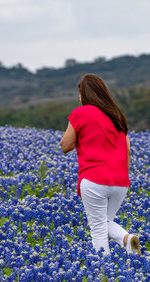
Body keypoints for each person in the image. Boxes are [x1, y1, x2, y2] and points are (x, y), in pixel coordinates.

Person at [60, 74, 141, 256]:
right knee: (105, 221)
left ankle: (102, 273)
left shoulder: (81, 113)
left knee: (97, 228)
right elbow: (127, 151)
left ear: (84, 94)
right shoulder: (117, 116)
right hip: (120, 181)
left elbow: (65, 146)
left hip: (94, 179)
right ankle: (128, 239)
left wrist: (81, 136)